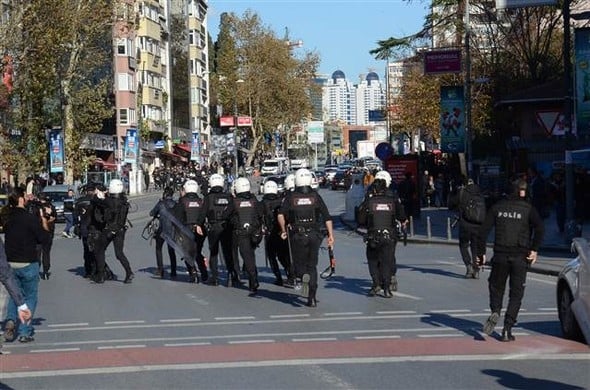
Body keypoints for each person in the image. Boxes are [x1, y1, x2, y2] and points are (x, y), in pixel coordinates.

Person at [477, 179, 545, 342]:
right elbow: (540, 228)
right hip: (520, 257)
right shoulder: (528, 209)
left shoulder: (497, 207)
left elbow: (483, 231)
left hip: (500, 255)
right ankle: (507, 329)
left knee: (496, 287)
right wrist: (534, 249)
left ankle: (495, 311)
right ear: (521, 192)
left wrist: (481, 253)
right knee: (516, 294)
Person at [278, 168, 335, 307]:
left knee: (299, 265)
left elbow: (280, 214)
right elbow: (327, 217)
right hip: (314, 235)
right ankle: (312, 298)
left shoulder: (291, 197)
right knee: (312, 266)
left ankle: (302, 276)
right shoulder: (315, 196)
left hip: (298, 236)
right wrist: (331, 235)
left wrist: (283, 229)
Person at [2, 186, 51, 343]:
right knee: (30, 296)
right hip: (28, 262)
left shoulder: (8, 218)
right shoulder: (30, 218)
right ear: (21, 199)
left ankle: (10, 321)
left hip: (10, 262)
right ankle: (24, 331)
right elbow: (43, 238)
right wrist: (44, 220)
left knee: (14, 293)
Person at [357, 170, 406, 296]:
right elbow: (401, 214)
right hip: (390, 234)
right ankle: (387, 287)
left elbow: (361, 219)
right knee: (387, 260)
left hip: (374, 235)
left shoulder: (369, 199)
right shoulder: (393, 198)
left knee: (373, 260)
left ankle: (376, 284)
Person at [91, 179, 134, 284]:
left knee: (99, 250)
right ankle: (129, 272)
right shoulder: (124, 201)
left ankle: (101, 275)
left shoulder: (110, 201)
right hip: (120, 230)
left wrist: (97, 195)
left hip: (110, 229)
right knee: (119, 253)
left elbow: (97, 201)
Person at [202, 174, 237, 287]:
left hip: (213, 226)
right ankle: (231, 275)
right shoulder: (228, 196)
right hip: (226, 227)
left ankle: (214, 277)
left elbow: (203, 213)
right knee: (228, 252)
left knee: (214, 252)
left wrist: (198, 224)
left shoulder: (208, 197)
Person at [230, 177, 264, 293]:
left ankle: (253, 280)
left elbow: (226, 214)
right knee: (251, 255)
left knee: (247, 256)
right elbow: (261, 213)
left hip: (242, 233)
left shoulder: (234, 202)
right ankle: (253, 279)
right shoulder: (254, 200)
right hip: (255, 233)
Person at [448, 178, 485, 279]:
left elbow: (451, 204)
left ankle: (469, 266)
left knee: (463, 245)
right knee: (475, 246)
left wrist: (453, 191)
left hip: (465, 224)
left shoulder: (462, 192)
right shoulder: (479, 192)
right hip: (478, 225)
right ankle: (476, 268)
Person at [174, 179, 208, 283]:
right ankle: (204, 273)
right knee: (197, 251)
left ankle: (193, 273)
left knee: (187, 253)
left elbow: (177, 218)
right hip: (200, 229)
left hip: (186, 230)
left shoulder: (182, 201)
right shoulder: (201, 201)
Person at [261, 180, 292, 286]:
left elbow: (258, 217)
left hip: (270, 234)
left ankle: (278, 277)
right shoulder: (281, 201)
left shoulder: (262, 203)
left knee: (272, 256)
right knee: (283, 255)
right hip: (281, 232)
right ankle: (290, 274)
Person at [149, 187, 177, 279]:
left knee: (158, 248)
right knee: (171, 251)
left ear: (165, 194)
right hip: (172, 230)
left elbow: (152, 213)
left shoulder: (161, 203)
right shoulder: (175, 204)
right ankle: (173, 271)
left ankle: (160, 269)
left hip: (162, 229)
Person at [74, 183, 97, 278]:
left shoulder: (80, 201)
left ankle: (88, 271)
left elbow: (75, 215)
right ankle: (95, 270)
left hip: (84, 229)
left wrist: (78, 225)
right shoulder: (96, 201)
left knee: (86, 250)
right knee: (96, 251)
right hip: (95, 229)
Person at [32, 193, 57, 280]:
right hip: (48, 232)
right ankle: (46, 271)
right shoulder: (51, 206)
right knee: (46, 252)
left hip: (38, 232)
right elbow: (55, 218)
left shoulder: (35, 207)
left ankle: (37, 271)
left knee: (37, 253)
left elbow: (33, 219)